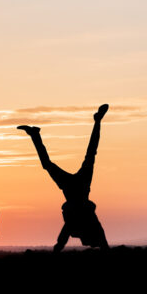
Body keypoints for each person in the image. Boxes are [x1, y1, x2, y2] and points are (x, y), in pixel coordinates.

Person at [18, 104, 110, 252]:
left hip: (72, 186)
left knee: (89, 154)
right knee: (89, 154)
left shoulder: (79, 223)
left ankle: (35, 134)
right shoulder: (89, 223)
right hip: (77, 185)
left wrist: (57, 249)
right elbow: (99, 239)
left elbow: (63, 238)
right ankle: (97, 121)